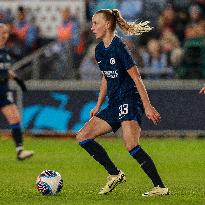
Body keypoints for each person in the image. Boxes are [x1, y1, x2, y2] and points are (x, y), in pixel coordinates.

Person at [76, 9, 169, 196]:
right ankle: (114, 174)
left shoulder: (120, 47)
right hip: (114, 103)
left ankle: (160, 187)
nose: (92, 27)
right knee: (82, 136)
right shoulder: (99, 49)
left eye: (95, 23)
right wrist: (97, 105)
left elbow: (137, 79)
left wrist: (147, 106)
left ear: (107, 25)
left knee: (131, 144)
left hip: (129, 99)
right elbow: (105, 77)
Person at [0, 23, 33, 160]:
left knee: (15, 117)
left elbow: (7, 71)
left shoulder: (6, 53)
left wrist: (18, 80)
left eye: (6, 33)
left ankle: (20, 151)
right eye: (1, 32)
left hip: (3, 91)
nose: (3, 35)